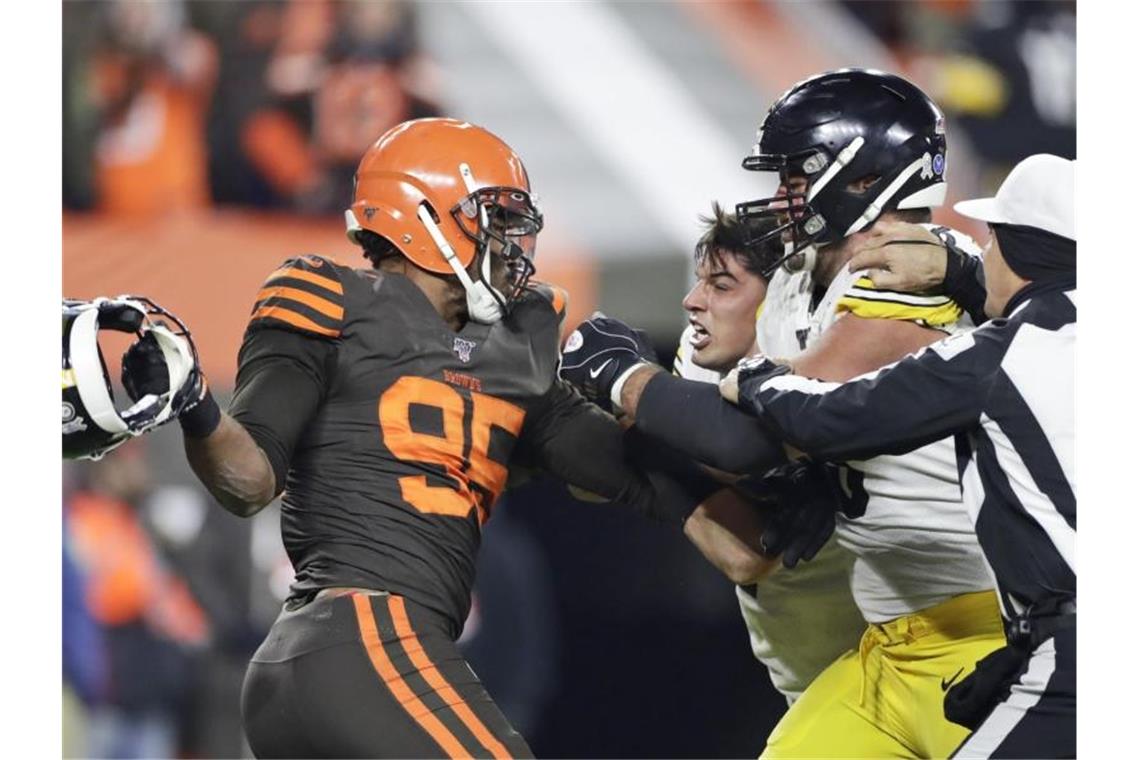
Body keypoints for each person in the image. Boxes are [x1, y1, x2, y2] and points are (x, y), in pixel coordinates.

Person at [117, 117, 711, 758]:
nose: (514, 241)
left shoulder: (515, 353)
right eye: (495, 217)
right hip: (366, 637)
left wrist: (670, 399)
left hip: (318, 673)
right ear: (420, 214)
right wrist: (196, 403)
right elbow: (249, 480)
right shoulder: (334, 298)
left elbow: (638, 475)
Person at [561, 70, 1007, 757]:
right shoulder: (795, 281)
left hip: (992, 627)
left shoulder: (919, 268)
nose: (781, 196)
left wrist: (623, 381)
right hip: (889, 643)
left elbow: (759, 436)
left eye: (797, 174)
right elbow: (715, 471)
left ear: (861, 179)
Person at [723, 153, 1077, 758]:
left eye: (991, 240)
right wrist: (960, 269)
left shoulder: (1000, 357)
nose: (980, 252)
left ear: (1017, 250)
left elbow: (831, 420)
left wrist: (753, 375)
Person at [673, 203, 867, 704]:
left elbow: (744, 553)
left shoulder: (842, 373)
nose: (693, 301)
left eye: (721, 285)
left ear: (782, 298)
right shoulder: (703, 374)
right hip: (816, 682)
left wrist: (637, 417)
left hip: (912, 665)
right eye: (701, 282)